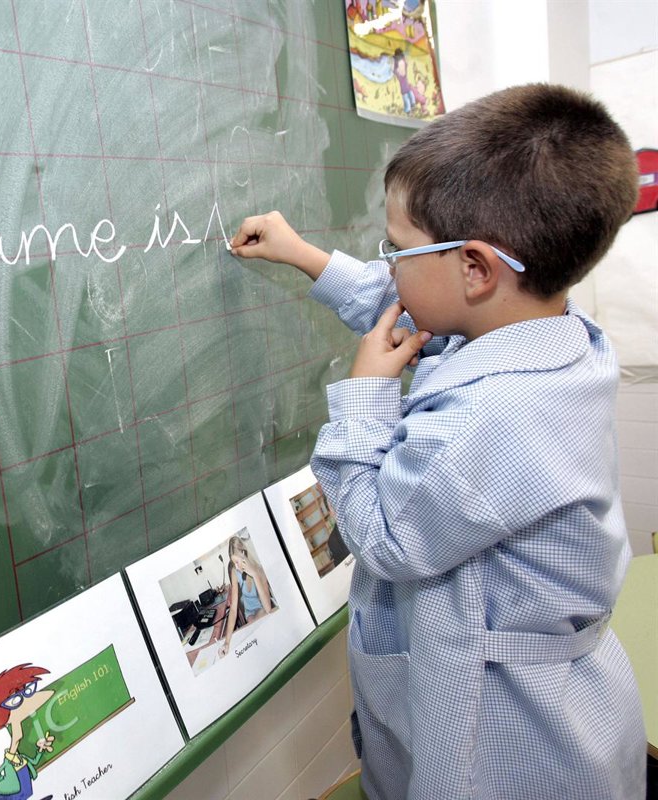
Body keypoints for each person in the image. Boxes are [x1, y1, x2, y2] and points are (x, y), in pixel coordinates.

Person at [229, 84, 644, 799]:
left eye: (395, 249)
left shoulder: (495, 416)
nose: (387, 263)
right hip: (559, 708)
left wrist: (365, 397)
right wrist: (306, 256)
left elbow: (386, 538)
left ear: (476, 268)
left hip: (508, 749)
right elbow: (418, 309)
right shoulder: (546, 333)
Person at [0, 664, 56, 800]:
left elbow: (33, 761)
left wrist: (41, 749)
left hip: (24, 792)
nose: (26, 701)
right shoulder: (9, 762)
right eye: (15, 700)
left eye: (28, 691)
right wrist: (3, 782)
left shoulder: (21, 757)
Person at [218, 536, 276, 656]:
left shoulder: (259, 570)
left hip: (262, 608)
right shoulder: (235, 571)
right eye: (234, 563)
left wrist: (254, 574)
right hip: (249, 612)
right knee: (253, 630)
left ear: (244, 554)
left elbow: (268, 608)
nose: (237, 567)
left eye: (237, 562)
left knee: (260, 624)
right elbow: (233, 609)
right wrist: (227, 642)